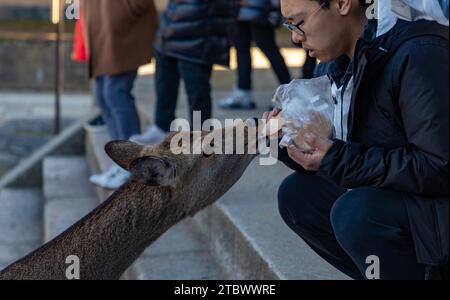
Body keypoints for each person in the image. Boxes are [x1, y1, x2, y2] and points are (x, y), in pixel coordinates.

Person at [264, 0, 448, 279]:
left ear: (342, 4)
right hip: (407, 202)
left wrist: (337, 158)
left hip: (437, 206)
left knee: (356, 214)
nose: (295, 37)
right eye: (288, 26)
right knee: (298, 195)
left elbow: (438, 166)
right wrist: (292, 140)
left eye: (299, 23)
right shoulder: (334, 66)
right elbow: (346, 156)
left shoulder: (418, 52)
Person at [130, 0, 239, 145]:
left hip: (199, 31)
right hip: (171, 26)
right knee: (164, 83)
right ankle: (162, 128)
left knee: (197, 92)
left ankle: (201, 140)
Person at [84, 0, 159, 189]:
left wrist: (124, 11)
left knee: (115, 92)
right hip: (104, 31)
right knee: (103, 95)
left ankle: (131, 162)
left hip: (123, 32)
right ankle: (120, 161)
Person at [219, 0, 291, 110]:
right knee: (241, 47)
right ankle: (243, 91)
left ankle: (289, 92)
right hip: (238, 7)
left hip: (261, 6)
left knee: (268, 47)